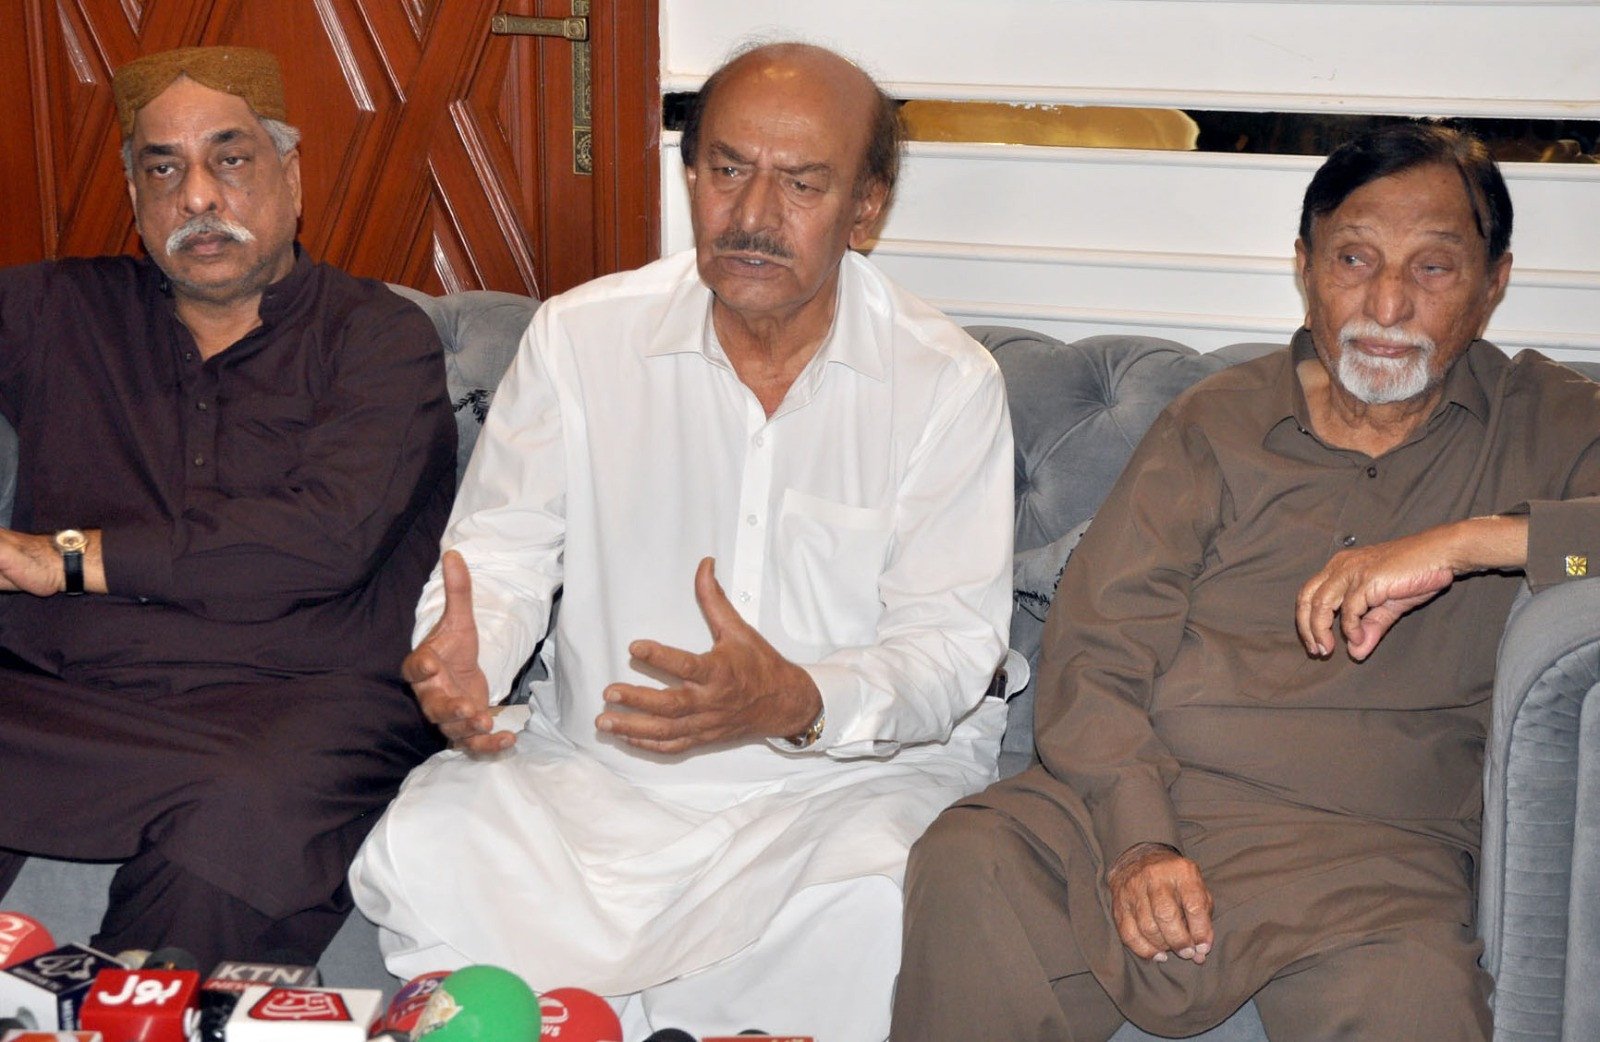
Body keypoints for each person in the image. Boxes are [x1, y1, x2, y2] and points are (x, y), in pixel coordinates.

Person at [349, 42, 1013, 1041]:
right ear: (690, 176)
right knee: (432, 840)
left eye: (800, 183)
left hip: (832, 792)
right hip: (603, 779)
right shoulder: (581, 340)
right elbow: (500, 555)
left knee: (878, 901)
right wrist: (466, 657)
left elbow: (949, 648)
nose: (753, 215)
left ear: (865, 210)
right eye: (728, 169)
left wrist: (794, 698)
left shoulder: (947, 384)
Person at [892, 122, 1600, 1041]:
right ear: (1303, 267)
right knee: (970, 857)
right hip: (1146, 805)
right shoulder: (1214, 423)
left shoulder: (1550, 424)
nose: (1386, 304)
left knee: (1414, 1008)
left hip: (1376, 860)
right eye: (1353, 259)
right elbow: (1097, 650)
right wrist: (1139, 836)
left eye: (1432, 268)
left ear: (1493, 284)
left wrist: (1474, 543)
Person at [0, 46, 455, 970]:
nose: (197, 196)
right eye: (162, 166)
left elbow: (323, 540)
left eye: (229, 158)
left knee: (247, 817)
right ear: (135, 194)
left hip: (296, 708)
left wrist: (72, 559)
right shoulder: (59, 311)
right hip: (63, 691)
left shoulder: (377, 339)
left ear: (290, 176)